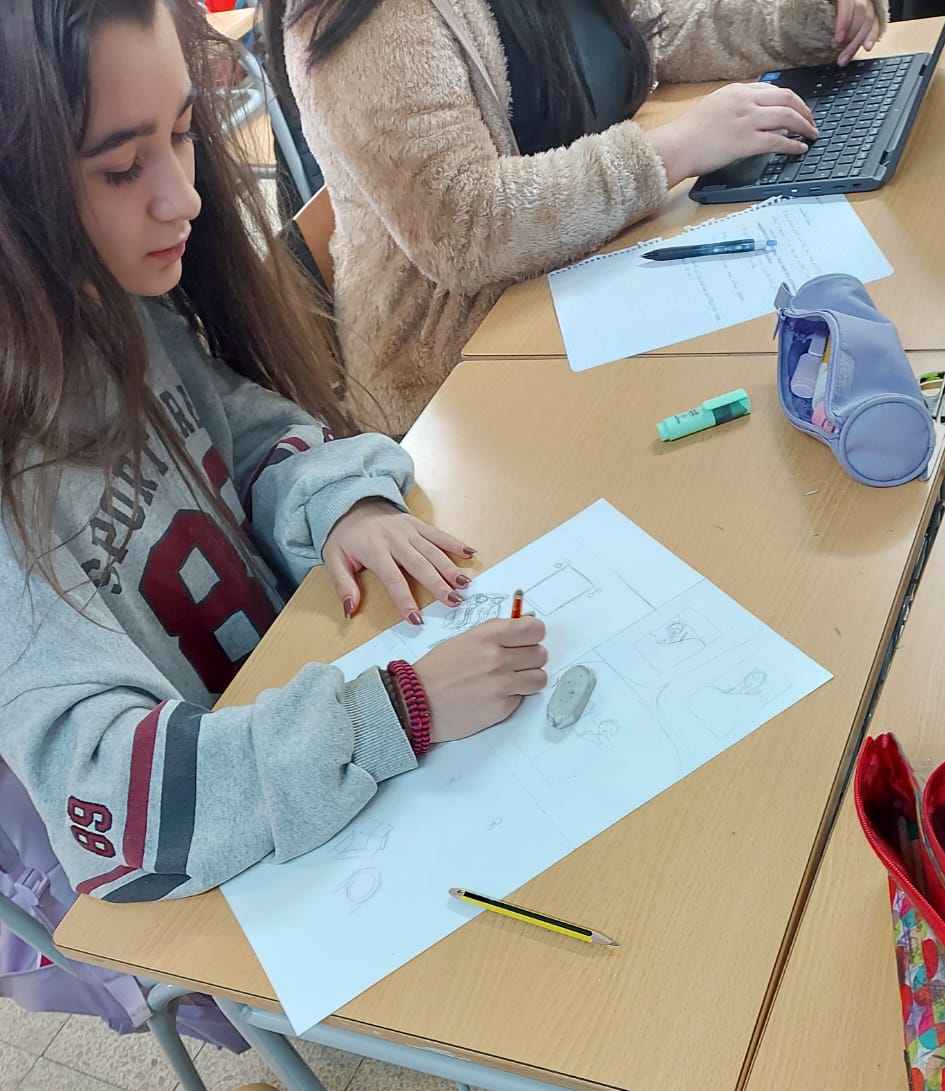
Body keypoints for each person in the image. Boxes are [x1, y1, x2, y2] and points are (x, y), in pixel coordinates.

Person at [0, 0, 548, 903]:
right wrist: (392, 713)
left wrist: (343, 502)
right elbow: (114, 806)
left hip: (306, 742)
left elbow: (244, 433)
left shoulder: (116, 307)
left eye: (182, 133)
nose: (186, 197)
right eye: (122, 167)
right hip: (240, 884)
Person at [270, 0, 886, 433]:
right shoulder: (361, 19)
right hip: (465, 377)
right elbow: (466, 227)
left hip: (592, 269)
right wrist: (676, 149)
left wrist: (811, 19)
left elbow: (656, 30)